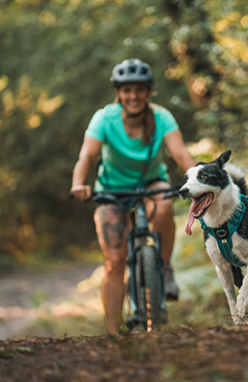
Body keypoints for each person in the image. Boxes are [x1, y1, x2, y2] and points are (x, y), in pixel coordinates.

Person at [71, 58, 195, 334]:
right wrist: (79, 183)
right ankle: (114, 333)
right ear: (118, 92)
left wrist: (198, 180)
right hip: (111, 190)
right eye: (127, 90)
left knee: (164, 206)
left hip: (150, 183)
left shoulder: (162, 117)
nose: (133, 96)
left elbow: (181, 154)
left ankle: (163, 267)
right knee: (114, 263)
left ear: (148, 91)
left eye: (139, 90)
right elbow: (87, 155)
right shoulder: (104, 118)